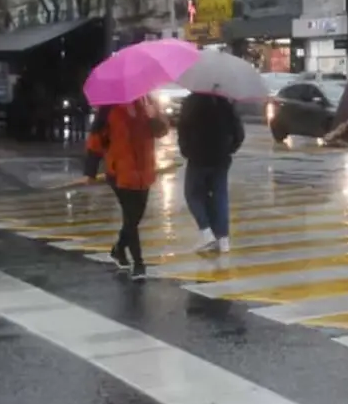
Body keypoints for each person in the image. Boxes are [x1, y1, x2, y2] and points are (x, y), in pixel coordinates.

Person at [85, 96, 169, 280]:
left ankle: (118, 249)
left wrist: (154, 116)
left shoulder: (147, 102)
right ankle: (138, 263)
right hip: (119, 173)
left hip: (144, 172)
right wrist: (90, 171)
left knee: (136, 218)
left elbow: (162, 131)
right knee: (131, 217)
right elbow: (96, 140)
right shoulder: (109, 108)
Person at [176, 92, 244, 253]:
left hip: (198, 157)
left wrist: (186, 150)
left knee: (193, 194)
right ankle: (223, 239)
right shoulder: (225, 103)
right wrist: (229, 149)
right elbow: (239, 133)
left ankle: (207, 234)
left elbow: (182, 129)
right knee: (220, 195)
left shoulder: (191, 102)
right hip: (221, 157)